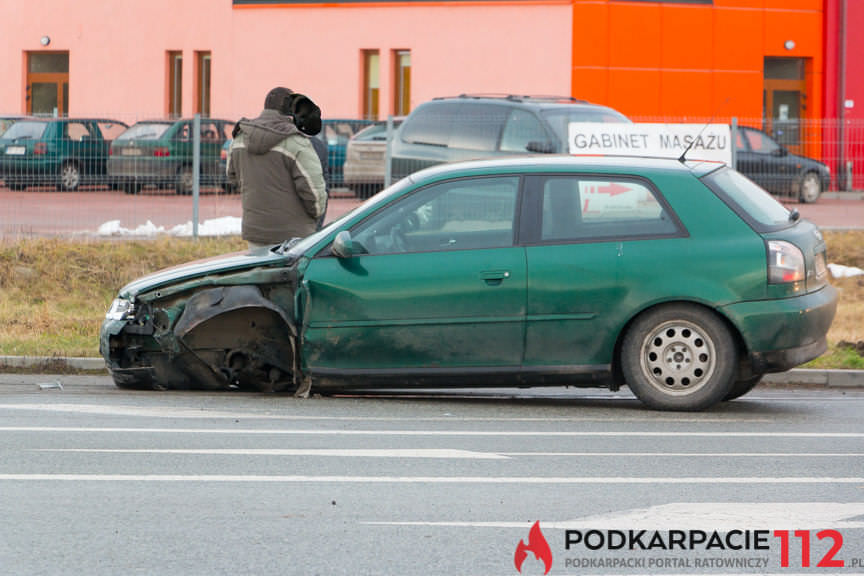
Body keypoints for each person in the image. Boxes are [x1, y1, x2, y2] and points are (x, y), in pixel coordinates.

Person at [227, 87, 327, 249]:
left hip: (255, 233)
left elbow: (232, 177)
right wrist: (316, 216)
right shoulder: (296, 142)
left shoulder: (240, 138)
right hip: (295, 237)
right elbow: (315, 196)